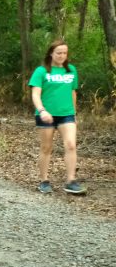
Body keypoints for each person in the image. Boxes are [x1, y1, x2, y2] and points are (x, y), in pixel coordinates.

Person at [29, 40, 86, 195]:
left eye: (64, 53)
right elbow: (35, 94)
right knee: (46, 147)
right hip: (46, 114)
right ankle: (44, 180)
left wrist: (74, 113)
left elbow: (73, 93)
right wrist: (41, 110)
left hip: (66, 114)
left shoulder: (71, 70)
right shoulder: (41, 71)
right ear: (51, 53)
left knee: (71, 145)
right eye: (58, 53)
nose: (62, 56)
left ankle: (71, 180)